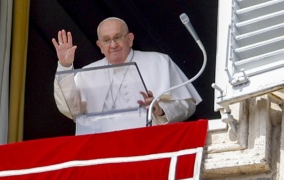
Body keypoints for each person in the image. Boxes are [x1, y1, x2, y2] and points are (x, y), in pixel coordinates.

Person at [53, 17, 201, 133]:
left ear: (130, 39)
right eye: (106, 40)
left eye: (117, 37)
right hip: (104, 149)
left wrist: (160, 110)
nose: (113, 45)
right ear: (100, 46)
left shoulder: (159, 61)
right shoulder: (86, 74)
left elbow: (187, 104)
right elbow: (70, 109)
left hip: (150, 144)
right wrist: (65, 66)